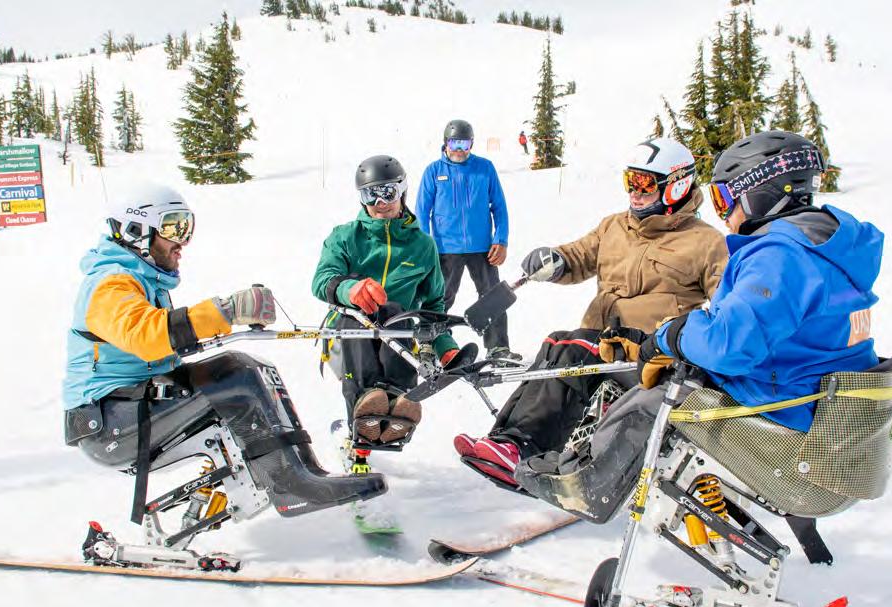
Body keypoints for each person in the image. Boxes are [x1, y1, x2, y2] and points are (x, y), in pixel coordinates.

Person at [516, 131, 886, 518]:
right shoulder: (827, 251)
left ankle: (590, 486)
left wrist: (671, 334)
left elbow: (729, 343)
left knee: (663, 394)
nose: (724, 214)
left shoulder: (779, 257)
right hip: (825, 432)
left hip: (788, 436)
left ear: (759, 194)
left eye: (725, 198)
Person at [63, 183, 382, 523]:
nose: (183, 241)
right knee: (237, 375)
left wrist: (226, 322)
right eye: (172, 228)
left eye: (187, 227)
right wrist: (227, 311)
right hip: (109, 423)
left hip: (131, 404)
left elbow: (158, 342)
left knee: (246, 369)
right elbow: (147, 336)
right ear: (136, 231)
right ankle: (290, 483)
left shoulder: (138, 280)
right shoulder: (111, 283)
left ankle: (299, 472)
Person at [454, 137, 728, 488]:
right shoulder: (615, 227)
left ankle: (520, 449)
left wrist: (690, 341)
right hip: (602, 342)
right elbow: (579, 256)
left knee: (570, 349)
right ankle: (506, 443)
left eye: (645, 184)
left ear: (677, 186)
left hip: (650, 353)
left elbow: (726, 305)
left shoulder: (706, 242)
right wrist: (555, 260)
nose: (635, 192)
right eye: (630, 181)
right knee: (557, 347)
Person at [312, 155, 472, 469]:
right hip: (349, 331)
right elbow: (322, 279)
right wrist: (350, 290)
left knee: (395, 311)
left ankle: (395, 407)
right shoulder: (345, 237)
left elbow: (433, 305)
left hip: (397, 335)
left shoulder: (422, 246)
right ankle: (364, 425)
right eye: (369, 194)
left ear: (402, 191)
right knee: (361, 314)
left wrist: (446, 347)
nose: (380, 202)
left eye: (387, 192)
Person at [416, 119, 521, 363]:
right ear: (445, 143)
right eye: (455, 143)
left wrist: (501, 239)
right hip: (445, 249)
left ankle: (498, 348)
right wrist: (425, 246)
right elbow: (422, 212)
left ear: (471, 144)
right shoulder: (434, 171)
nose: (459, 150)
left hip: (482, 247)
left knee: (492, 296)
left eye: (464, 144)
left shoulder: (485, 168)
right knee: (439, 298)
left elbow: (499, 207)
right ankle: (429, 345)